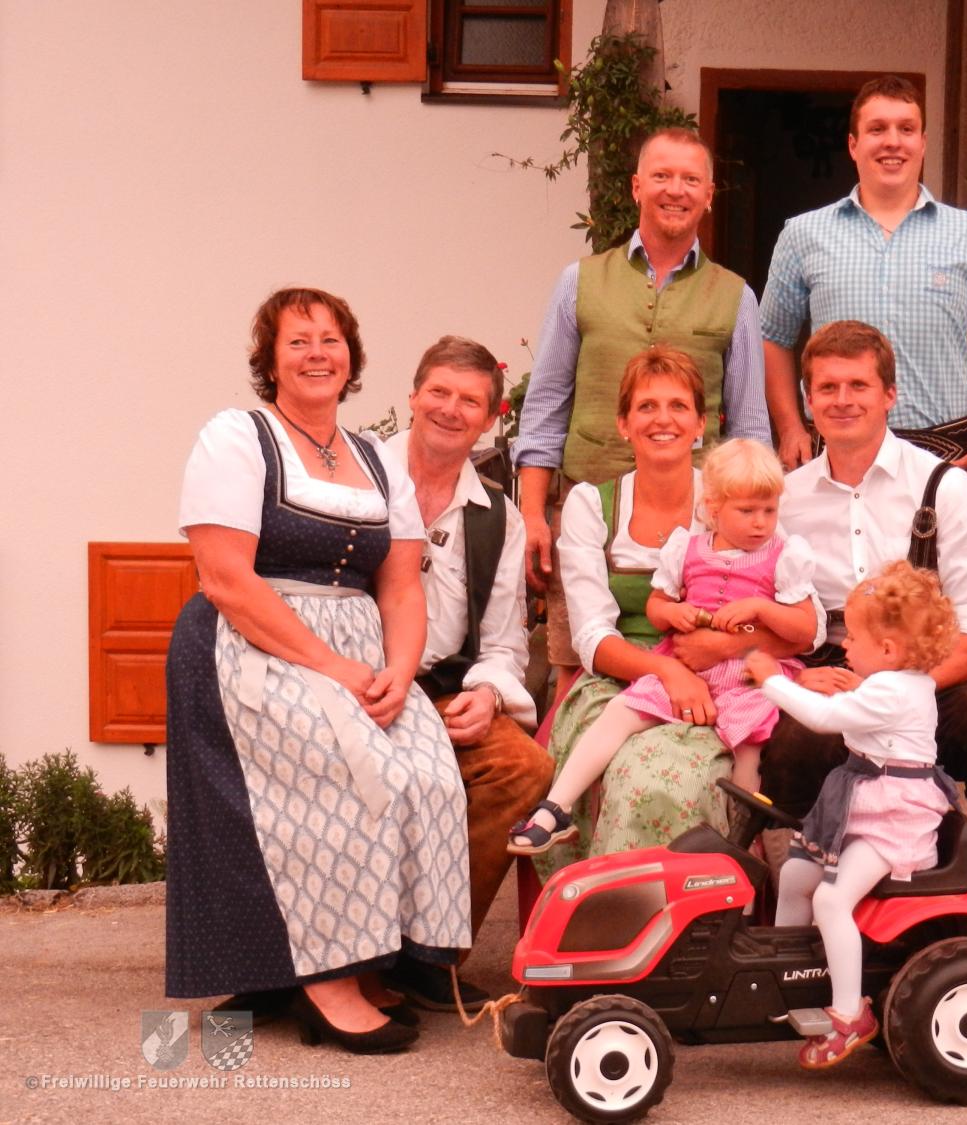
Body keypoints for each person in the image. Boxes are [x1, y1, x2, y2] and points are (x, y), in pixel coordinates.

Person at [166, 287, 470, 1053]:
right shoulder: (238, 438)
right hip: (255, 645)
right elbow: (225, 579)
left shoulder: (377, 458)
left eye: (331, 340)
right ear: (270, 360)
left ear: (351, 357)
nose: (316, 354)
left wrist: (400, 670)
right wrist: (333, 666)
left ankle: (372, 958)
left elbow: (401, 585)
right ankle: (325, 980)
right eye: (297, 341)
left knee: (428, 772)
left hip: (362, 653)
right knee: (351, 769)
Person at [760, 320, 967, 929]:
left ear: (890, 394)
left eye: (858, 385)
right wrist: (800, 678)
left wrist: (889, 692)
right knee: (791, 752)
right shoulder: (785, 500)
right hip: (830, 672)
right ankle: (797, 941)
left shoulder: (946, 489)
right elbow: (766, 615)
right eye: (827, 387)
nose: (842, 400)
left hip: (929, 675)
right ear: (808, 400)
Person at [513, 126, 773, 671]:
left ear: (708, 195)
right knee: (577, 667)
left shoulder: (736, 297)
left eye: (690, 179)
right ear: (637, 187)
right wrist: (533, 514)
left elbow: (750, 430)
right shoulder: (578, 282)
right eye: (661, 176)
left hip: (704, 526)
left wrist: (753, 530)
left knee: (703, 667)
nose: (675, 190)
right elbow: (544, 409)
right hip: (586, 514)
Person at [532, 346, 797, 879]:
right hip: (621, 677)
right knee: (633, 772)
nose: (663, 419)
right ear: (623, 423)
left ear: (701, 424)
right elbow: (591, 636)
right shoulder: (592, 504)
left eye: (678, 406)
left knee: (691, 780)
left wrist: (722, 649)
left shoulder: (737, 498)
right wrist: (668, 670)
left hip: (729, 678)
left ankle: (715, 900)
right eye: (647, 406)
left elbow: (795, 623)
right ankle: (615, 907)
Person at [510, 439, 818, 853]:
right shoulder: (687, 548)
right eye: (747, 511)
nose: (761, 523)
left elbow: (805, 627)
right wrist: (674, 613)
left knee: (750, 743)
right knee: (622, 710)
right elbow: (657, 607)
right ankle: (555, 808)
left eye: (769, 510)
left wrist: (762, 608)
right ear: (713, 507)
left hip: (748, 674)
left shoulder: (782, 554)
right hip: (686, 665)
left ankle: (744, 840)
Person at [373, 335, 554, 1011]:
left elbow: (505, 642)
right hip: (356, 681)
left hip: (442, 689)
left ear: (490, 418)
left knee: (524, 769)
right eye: (439, 392)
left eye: (470, 401)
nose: (451, 409)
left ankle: (431, 955)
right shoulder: (359, 476)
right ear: (413, 395)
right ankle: (350, 955)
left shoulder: (498, 516)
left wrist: (487, 693)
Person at [760, 75, 967, 491]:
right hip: (836, 452)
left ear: (922, 143)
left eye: (906, 129)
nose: (893, 142)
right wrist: (790, 427)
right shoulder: (803, 235)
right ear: (853, 145)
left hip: (945, 456)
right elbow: (772, 338)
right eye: (877, 129)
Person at [747, 560, 959, 1069]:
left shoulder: (892, 691)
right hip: (866, 805)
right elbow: (862, 715)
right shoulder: (893, 683)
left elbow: (823, 719)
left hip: (893, 821)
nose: (845, 645)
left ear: (887, 650)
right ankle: (788, 978)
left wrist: (772, 680)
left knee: (830, 898)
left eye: (854, 638)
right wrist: (850, 691)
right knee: (795, 874)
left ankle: (848, 1014)